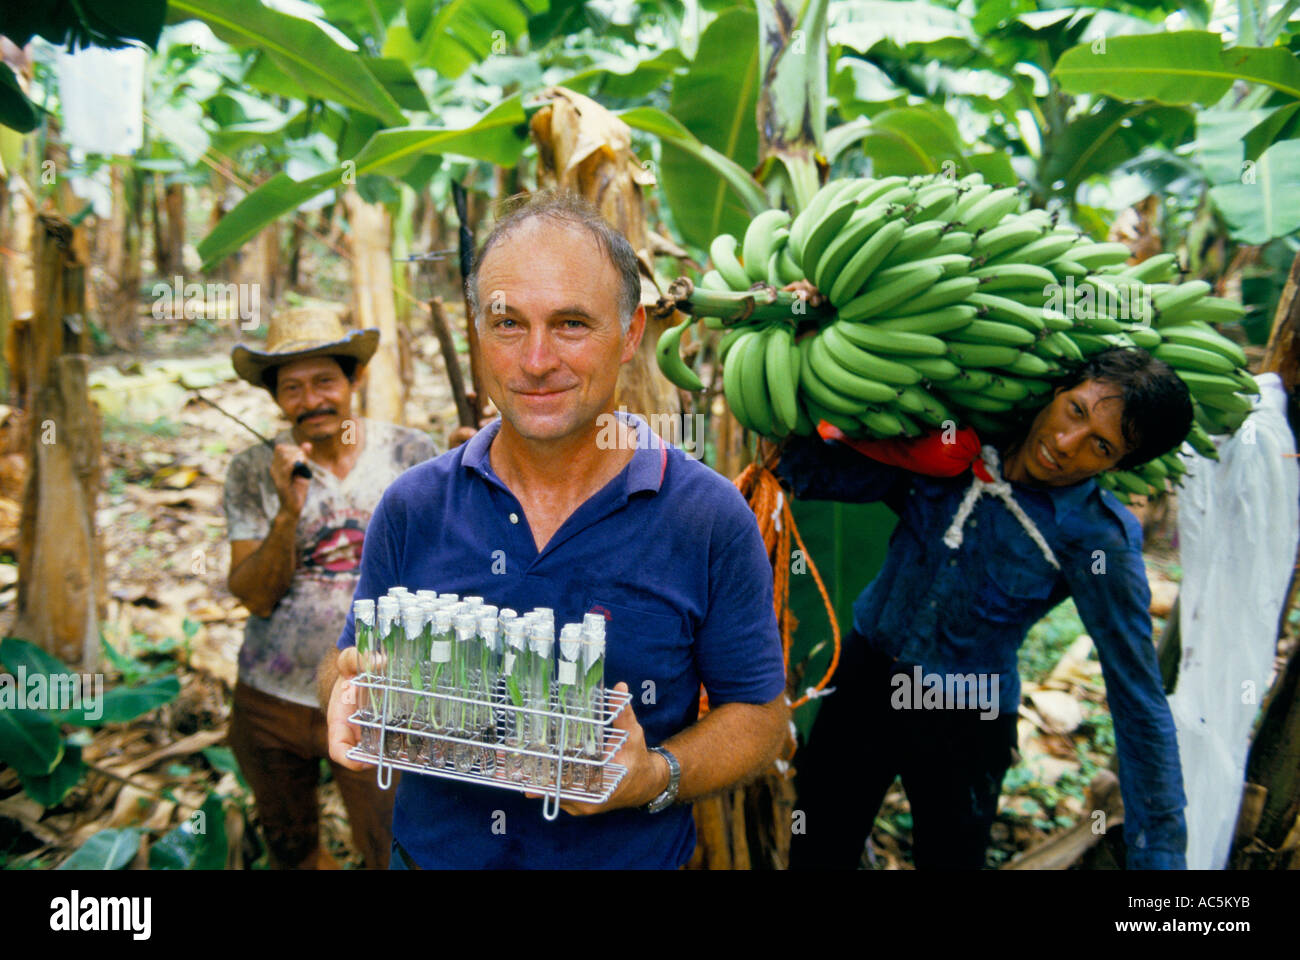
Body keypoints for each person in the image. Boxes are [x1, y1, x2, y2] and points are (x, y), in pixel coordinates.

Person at [319, 192, 789, 869]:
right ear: (478, 332)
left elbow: (760, 718)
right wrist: (346, 691)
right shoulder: (413, 505)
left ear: (631, 336)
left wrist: (654, 776)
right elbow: (349, 665)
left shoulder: (706, 518)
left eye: (572, 324)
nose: (537, 360)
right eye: (509, 324)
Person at [778, 347, 1193, 870]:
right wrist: (807, 342)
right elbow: (814, 468)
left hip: (966, 714)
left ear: (1118, 465)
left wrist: (1162, 857)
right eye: (1076, 411)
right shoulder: (948, 445)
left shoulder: (1095, 540)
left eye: (1100, 445)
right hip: (865, 677)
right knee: (817, 844)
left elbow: (1137, 695)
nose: (1066, 444)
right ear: (1060, 390)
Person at [224, 309, 436, 868]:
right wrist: (286, 515)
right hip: (272, 697)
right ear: (276, 399)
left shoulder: (410, 454)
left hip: (379, 694)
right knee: (290, 845)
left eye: (324, 381)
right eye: (292, 388)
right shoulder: (253, 470)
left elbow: (450, 564)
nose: (311, 400)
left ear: (353, 382)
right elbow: (254, 595)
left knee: (391, 845)